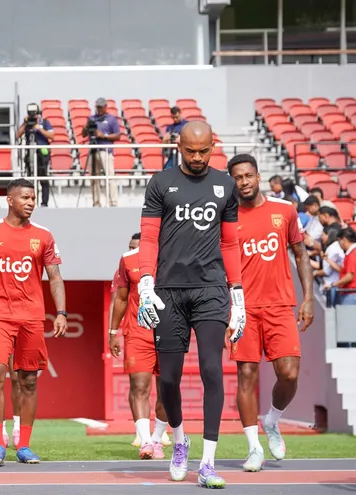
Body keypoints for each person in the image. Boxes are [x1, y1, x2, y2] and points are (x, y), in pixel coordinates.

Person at [137, 121, 245, 489]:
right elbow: (149, 236)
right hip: (168, 291)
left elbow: (230, 244)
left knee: (212, 370)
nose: (198, 158)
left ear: (213, 146)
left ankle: (209, 463)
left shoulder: (226, 185)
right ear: (177, 146)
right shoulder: (159, 183)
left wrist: (238, 294)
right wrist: (146, 281)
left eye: (204, 151)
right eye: (190, 151)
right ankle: (179, 441)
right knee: (167, 379)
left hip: (211, 290)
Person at [0, 178, 67, 465]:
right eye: (25, 198)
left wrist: (61, 312)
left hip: (31, 317)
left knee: (28, 380)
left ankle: (24, 445)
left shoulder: (44, 236)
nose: (30, 202)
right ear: (10, 200)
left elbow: (55, 277)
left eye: (33, 198)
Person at [227, 153, 315, 472]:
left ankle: (273, 420)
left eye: (248, 175)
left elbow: (301, 254)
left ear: (258, 176)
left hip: (280, 305)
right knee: (246, 377)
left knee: (289, 374)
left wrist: (308, 299)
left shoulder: (285, 210)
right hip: (244, 310)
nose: (244, 181)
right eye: (237, 177)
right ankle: (253, 449)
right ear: (232, 181)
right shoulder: (227, 218)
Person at [109, 232, 170, 459]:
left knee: (167, 391)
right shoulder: (128, 259)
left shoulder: (173, 257)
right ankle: (145, 441)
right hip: (137, 332)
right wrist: (113, 332)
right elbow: (121, 298)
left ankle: (157, 438)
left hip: (169, 333)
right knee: (139, 386)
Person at [81, 98, 121, 208]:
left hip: (105, 151)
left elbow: (118, 135)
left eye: (101, 107)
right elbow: (83, 134)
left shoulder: (111, 119)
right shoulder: (91, 119)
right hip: (93, 150)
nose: (99, 109)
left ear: (105, 107)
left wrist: (104, 136)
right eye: (97, 107)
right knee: (94, 177)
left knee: (110, 176)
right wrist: (86, 126)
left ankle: (113, 202)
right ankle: (96, 202)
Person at [15, 103, 55, 207]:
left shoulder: (45, 122)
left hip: (42, 153)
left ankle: (44, 203)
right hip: (30, 153)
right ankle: (30, 202)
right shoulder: (27, 123)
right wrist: (25, 123)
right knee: (30, 179)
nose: (33, 116)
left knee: (43, 177)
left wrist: (39, 129)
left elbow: (52, 136)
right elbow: (17, 135)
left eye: (34, 114)